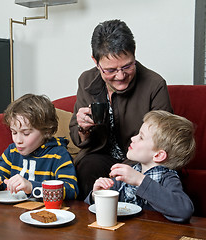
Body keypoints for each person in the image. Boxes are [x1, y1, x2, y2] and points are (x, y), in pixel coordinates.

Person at [69, 19, 173, 200]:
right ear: (96, 62)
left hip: (141, 162)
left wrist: (126, 170)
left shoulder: (154, 85)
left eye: (127, 66)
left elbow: (164, 141)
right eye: (110, 70)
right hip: (100, 159)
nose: (121, 76)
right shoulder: (86, 81)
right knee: (87, 166)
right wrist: (84, 128)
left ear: (134, 54)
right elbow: (78, 139)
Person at [85, 110, 196, 222]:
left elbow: (184, 211)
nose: (133, 138)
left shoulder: (167, 178)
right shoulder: (128, 174)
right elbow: (90, 206)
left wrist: (140, 181)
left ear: (158, 155)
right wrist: (97, 194)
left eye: (141, 137)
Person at [0, 94, 79, 199]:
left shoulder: (59, 155)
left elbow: (71, 190)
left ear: (46, 131)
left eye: (26, 133)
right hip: (15, 212)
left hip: (46, 212)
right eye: (14, 132)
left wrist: (32, 187)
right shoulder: (12, 152)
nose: (18, 140)